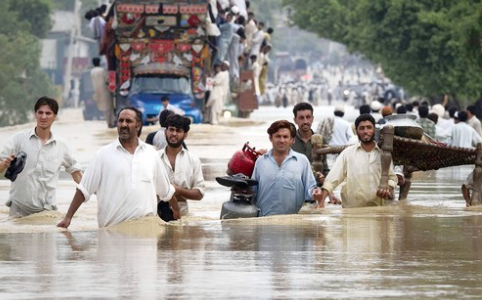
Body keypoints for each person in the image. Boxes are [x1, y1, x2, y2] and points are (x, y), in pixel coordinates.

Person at [57, 107, 176, 228]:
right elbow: (83, 190)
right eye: (120, 121)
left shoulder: (151, 154)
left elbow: (166, 192)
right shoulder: (103, 155)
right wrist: (68, 218)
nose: (123, 124)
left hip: (146, 233)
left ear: (138, 126)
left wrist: (176, 215)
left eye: (128, 121)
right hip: (112, 232)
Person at [0, 97, 83, 217]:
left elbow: (77, 175)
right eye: (40, 112)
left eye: (48, 113)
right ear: (35, 115)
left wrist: (98, 193)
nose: (43, 117)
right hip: (18, 212)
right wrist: (4, 164)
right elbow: (0, 166)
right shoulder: (18, 140)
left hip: (46, 214)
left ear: (55, 117)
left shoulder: (61, 146)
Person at [317, 114, 398, 208]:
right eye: (362, 128)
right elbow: (332, 180)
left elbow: (392, 178)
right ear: (356, 131)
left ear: (374, 130)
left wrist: (388, 187)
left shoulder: (384, 155)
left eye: (369, 127)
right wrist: (321, 202)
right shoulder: (347, 153)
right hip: (352, 212)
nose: (366, 131)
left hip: (379, 211)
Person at [252, 120, 323, 216]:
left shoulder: (302, 161)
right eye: (278, 136)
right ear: (270, 138)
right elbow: (253, 192)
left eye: (285, 137)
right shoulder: (260, 162)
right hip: (263, 222)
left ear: (292, 140)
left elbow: (310, 189)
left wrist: (315, 192)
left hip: (292, 223)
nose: (282, 140)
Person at [157, 114, 205, 220]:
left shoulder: (193, 160)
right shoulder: (155, 158)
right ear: (165, 132)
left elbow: (199, 193)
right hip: (155, 216)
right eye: (171, 129)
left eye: (178, 131)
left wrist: (178, 190)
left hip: (182, 218)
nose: (174, 134)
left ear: (185, 135)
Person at [90, 57, 115, 128]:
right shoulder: (102, 70)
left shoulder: (92, 71)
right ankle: (110, 123)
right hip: (105, 90)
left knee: (104, 108)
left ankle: (108, 122)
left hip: (97, 92)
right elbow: (107, 80)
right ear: (99, 63)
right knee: (109, 107)